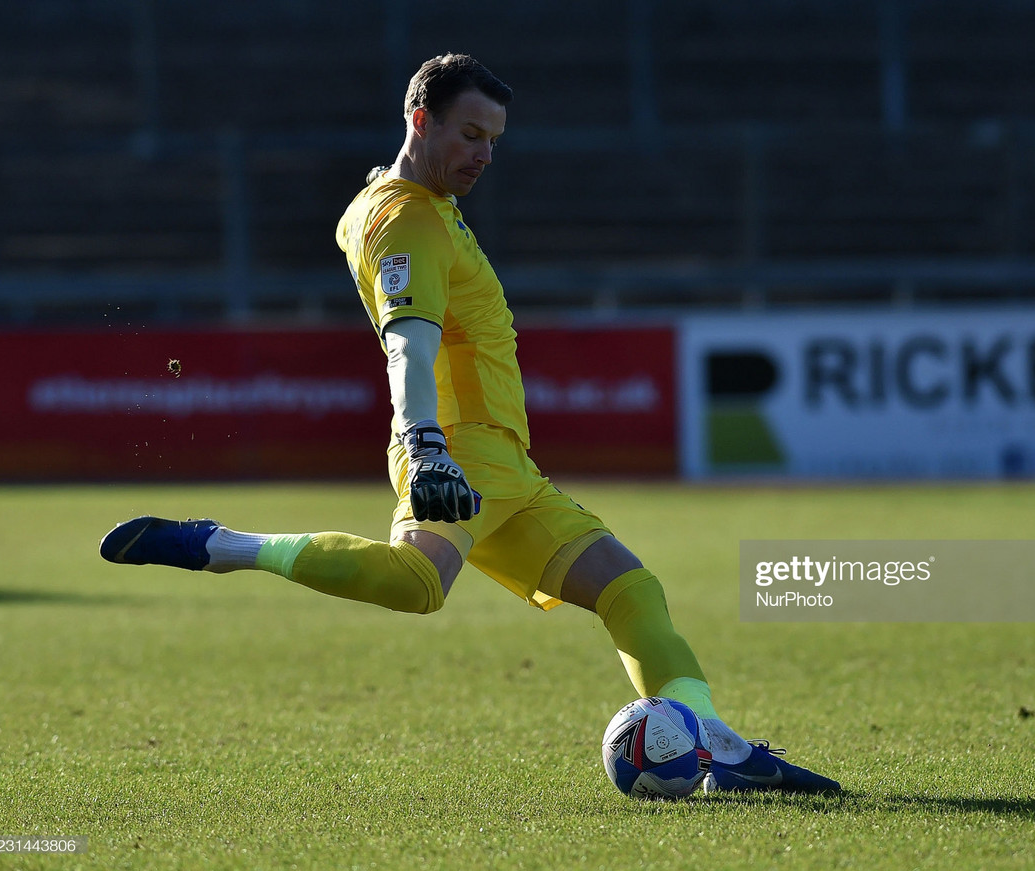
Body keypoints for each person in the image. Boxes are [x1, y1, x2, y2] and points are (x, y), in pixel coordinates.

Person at [100, 53, 839, 795]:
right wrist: (426, 447)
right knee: (419, 583)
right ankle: (219, 545)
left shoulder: (408, 204)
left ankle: (721, 754)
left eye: (495, 139)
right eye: (471, 134)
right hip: (458, 448)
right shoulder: (409, 218)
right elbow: (408, 341)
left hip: (504, 463)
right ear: (420, 121)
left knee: (630, 589)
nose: (485, 154)